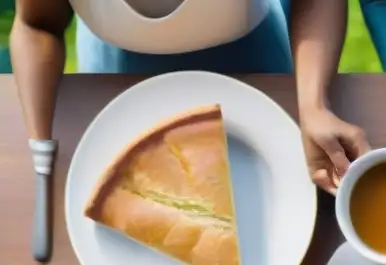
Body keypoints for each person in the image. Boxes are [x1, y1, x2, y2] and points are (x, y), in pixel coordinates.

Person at [10, 0, 367, 194]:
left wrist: (314, 103)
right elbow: (37, 25)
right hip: (118, 83)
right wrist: (40, 143)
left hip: (253, 66)